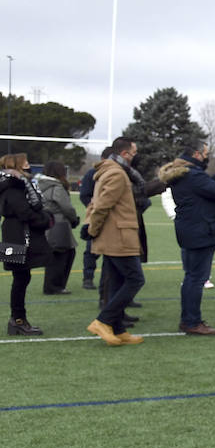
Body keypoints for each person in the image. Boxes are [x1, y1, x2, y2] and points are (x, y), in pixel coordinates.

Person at [159, 142, 215, 335]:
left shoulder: (184, 174)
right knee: (197, 278)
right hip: (201, 231)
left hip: (189, 230)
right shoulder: (192, 174)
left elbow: (205, 188)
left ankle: (189, 319)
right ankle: (192, 321)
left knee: (191, 277)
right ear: (196, 154)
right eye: (205, 153)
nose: (206, 156)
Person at [85, 137, 146, 346]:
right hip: (118, 236)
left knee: (117, 281)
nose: (135, 157)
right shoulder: (117, 174)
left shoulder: (109, 171)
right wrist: (92, 228)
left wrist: (91, 227)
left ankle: (117, 328)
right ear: (125, 154)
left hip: (114, 235)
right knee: (135, 279)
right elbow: (102, 205)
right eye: (134, 153)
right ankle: (103, 321)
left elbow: (96, 203)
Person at [1, 153, 53, 336]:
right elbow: (24, 212)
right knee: (21, 278)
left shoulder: (15, 185)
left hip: (15, 234)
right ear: (17, 165)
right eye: (25, 162)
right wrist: (45, 220)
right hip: (17, 235)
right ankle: (18, 320)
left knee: (22, 277)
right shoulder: (14, 187)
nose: (29, 165)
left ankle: (18, 319)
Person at [35, 161, 79, 295]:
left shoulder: (39, 185)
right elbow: (66, 207)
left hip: (47, 222)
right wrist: (74, 219)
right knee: (63, 254)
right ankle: (55, 286)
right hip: (58, 223)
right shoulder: (57, 187)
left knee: (57, 254)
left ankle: (53, 285)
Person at [78, 147, 113, 290]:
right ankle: (88, 277)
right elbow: (85, 194)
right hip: (96, 217)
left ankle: (108, 281)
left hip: (112, 219)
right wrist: (94, 208)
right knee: (91, 249)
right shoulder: (92, 174)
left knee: (112, 252)